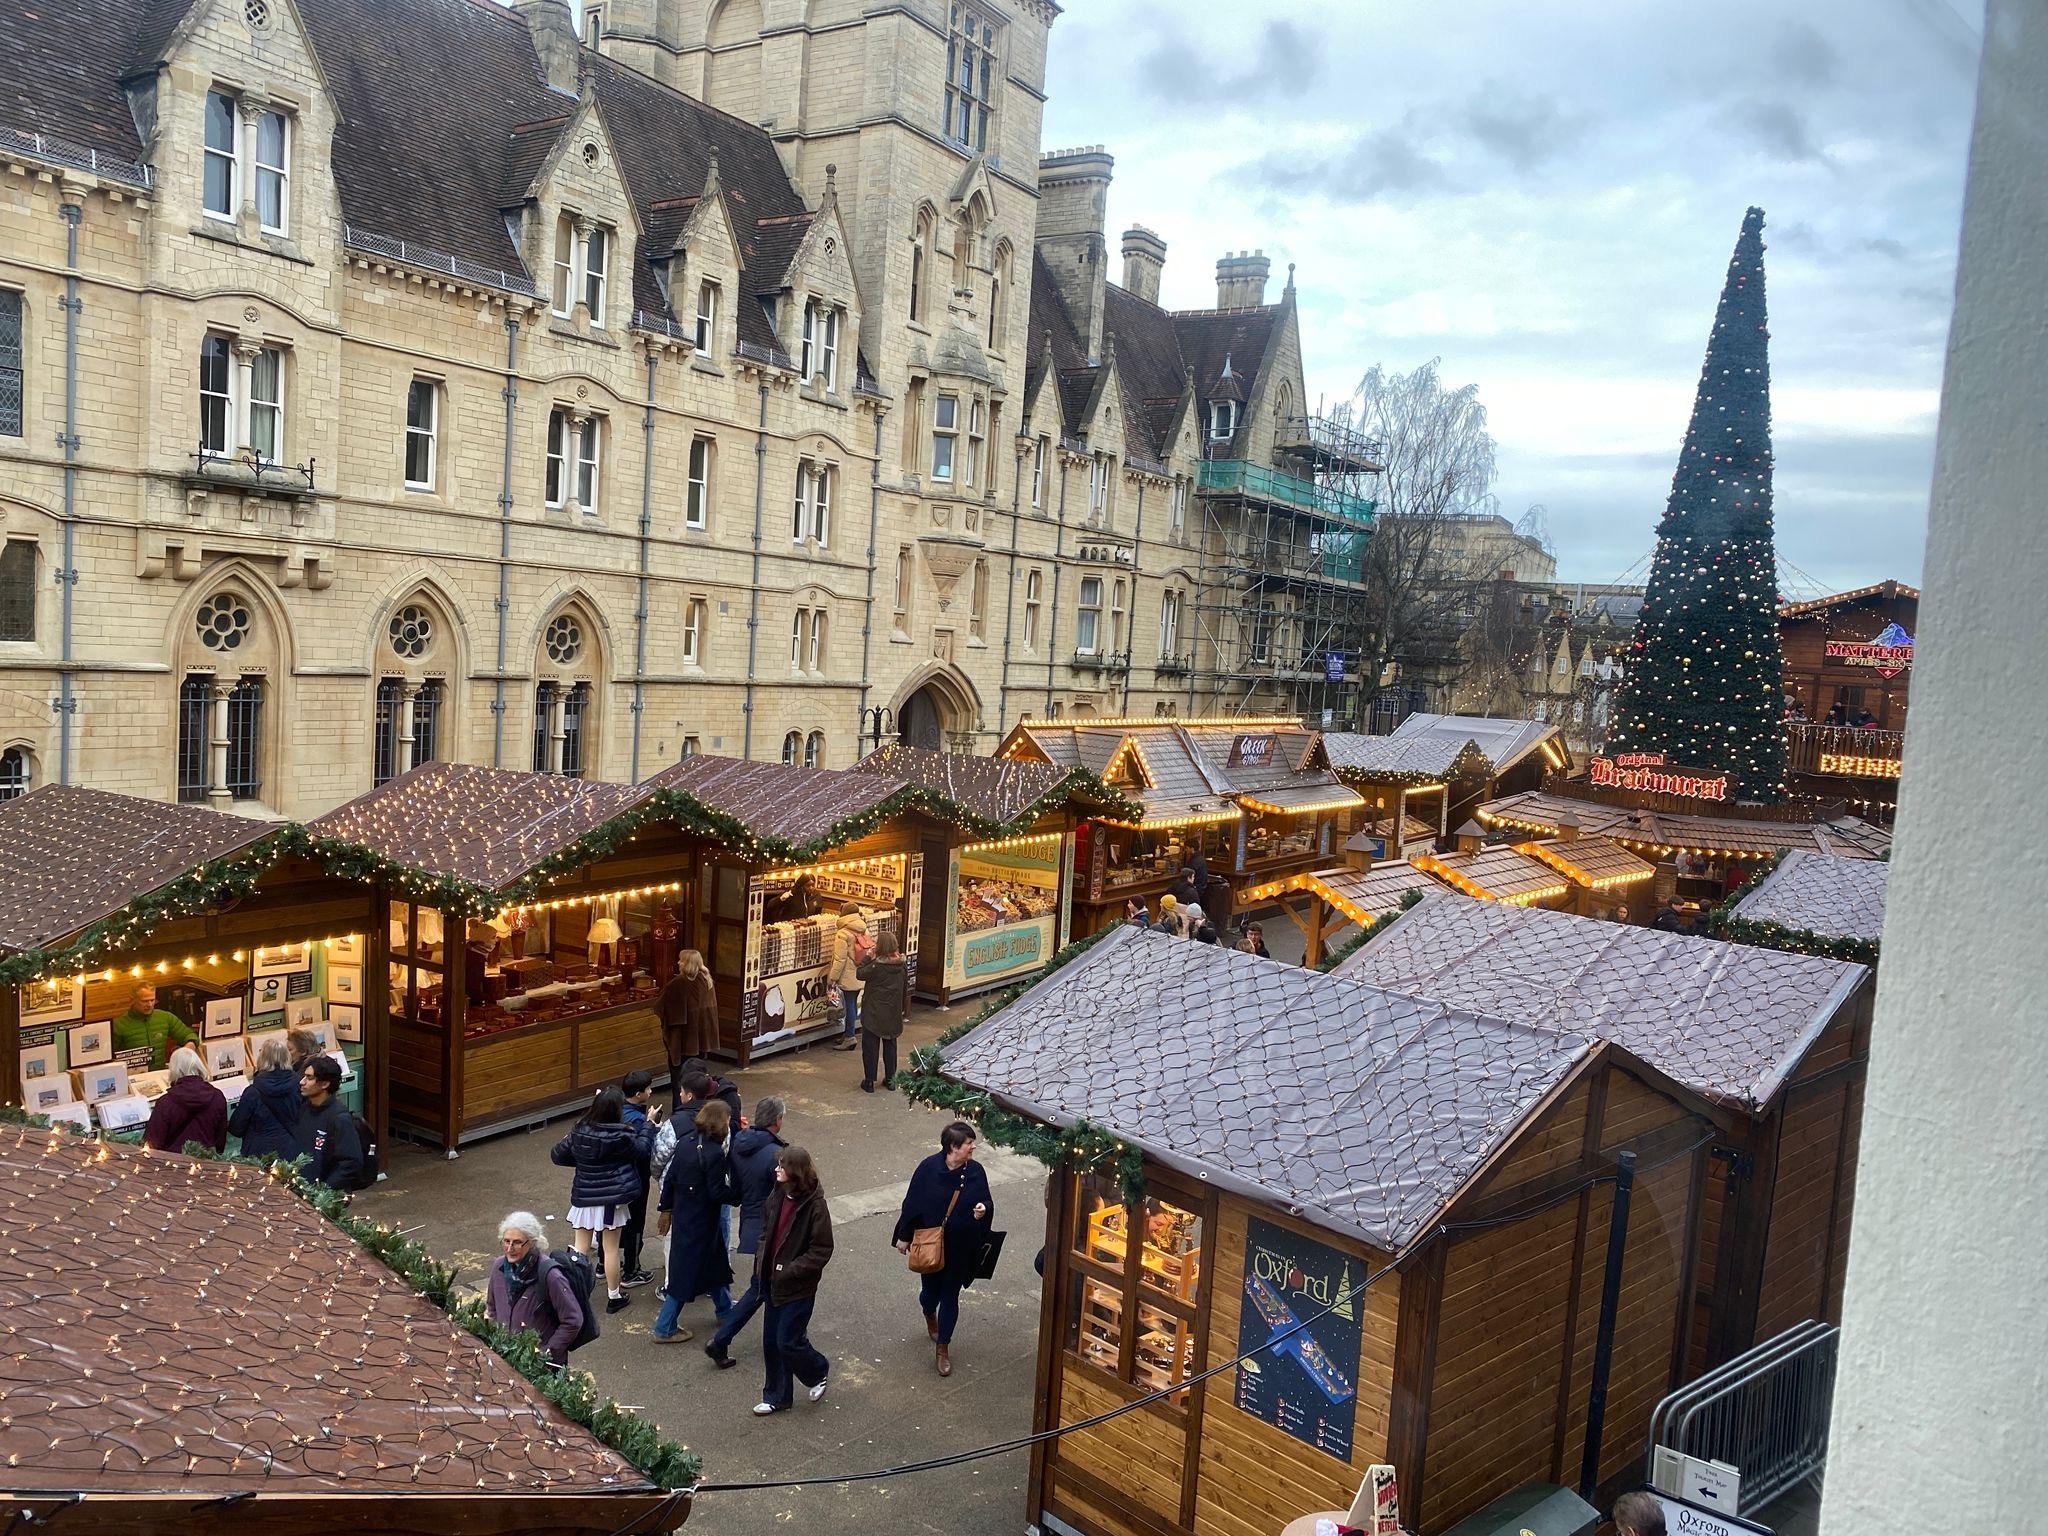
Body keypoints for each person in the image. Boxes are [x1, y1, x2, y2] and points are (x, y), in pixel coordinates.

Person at [892, 1121, 993, 1378]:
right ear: (953, 1147)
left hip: (960, 1248)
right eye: (969, 1143)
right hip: (931, 1246)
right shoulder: (928, 1168)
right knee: (929, 1295)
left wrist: (983, 1209)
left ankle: (943, 1348)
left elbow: (986, 1199)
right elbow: (912, 1203)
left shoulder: (975, 1171)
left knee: (950, 1296)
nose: (973, 1147)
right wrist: (904, 1236)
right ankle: (928, 1311)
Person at [705, 1095, 787, 1368]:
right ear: (777, 1120)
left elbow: (737, 1187)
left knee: (763, 1284)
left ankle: (724, 1341)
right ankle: (724, 1340)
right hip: (772, 1227)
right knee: (763, 1287)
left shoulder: (739, 1143)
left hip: (751, 1222)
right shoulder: (775, 1155)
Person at [752, 1145, 834, 1415]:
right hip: (772, 1283)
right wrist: (762, 1261)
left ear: (795, 1172)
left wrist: (788, 1270)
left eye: (782, 1166)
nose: (777, 1170)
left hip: (798, 1288)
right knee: (771, 1342)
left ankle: (818, 1370)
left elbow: (821, 1250)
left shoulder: (816, 1206)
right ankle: (777, 1397)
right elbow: (766, 1231)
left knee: (788, 1341)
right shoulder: (778, 1194)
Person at [549, 1086, 644, 1315]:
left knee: (580, 1249)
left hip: (585, 1194)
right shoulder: (623, 1134)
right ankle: (614, 1296)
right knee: (610, 1249)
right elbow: (642, 1151)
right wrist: (649, 1126)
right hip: (611, 1199)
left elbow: (558, 1154)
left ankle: (573, 1294)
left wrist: (582, 1162)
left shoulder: (579, 1129)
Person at [653, 1099, 737, 1342]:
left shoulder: (686, 1143)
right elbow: (717, 1192)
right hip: (704, 1221)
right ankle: (664, 1327)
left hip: (685, 1217)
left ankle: (724, 1309)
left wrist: (665, 1208)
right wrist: (739, 1195)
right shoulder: (714, 1153)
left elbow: (670, 1178)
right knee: (686, 1276)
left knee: (711, 1267)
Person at [486, 1212, 586, 1367]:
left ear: (532, 1242)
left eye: (517, 1242)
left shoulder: (550, 1276)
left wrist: (545, 1354)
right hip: (506, 1358)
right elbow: (492, 1307)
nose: (510, 1248)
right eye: (506, 1241)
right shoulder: (498, 1267)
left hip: (540, 1366)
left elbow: (573, 1320)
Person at [618, 1070, 663, 1288]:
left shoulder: (616, 1109)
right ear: (638, 1094)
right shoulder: (636, 1120)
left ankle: (604, 1264)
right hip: (635, 1177)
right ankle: (631, 1270)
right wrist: (651, 1125)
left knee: (611, 1222)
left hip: (616, 1177)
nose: (651, 1091)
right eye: (648, 1089)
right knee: (635, 1223)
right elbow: (642, 1149)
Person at [229, 1034, 306, 1158]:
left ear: (262, 1059)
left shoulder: (253, 1092)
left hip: (258, 1153)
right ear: (287, 1057)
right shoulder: (301, 1086)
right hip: (292, 1150)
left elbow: (236, 1128)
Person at [657, 950, 718, 1105]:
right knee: (698, 1078)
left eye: (681, 960)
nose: (678, 963)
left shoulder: (678, 983)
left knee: (679, 1079)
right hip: (701, 1040)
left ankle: (680, 1108)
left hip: (683, 1041)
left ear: (688, 964)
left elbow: (662, 1008)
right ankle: (698, 1107)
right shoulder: (707, 981)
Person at [296, 1054, 363, 1191]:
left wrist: (324, 1190)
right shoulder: (303, 1109)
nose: (302, 1082)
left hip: (324, 1196)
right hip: (302, 1188)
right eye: (304, 1076)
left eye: (309, 1078)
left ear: (325, 1084)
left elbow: (351, 1161)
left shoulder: (339, 1118)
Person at [143, 1047, 228, 1153]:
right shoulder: (217, 1096)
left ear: (173, 1070)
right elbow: (220, 1140)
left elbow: (152, 1143)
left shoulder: (165, 1102)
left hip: (173, 1160)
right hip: (206, 1158)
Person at [856, 930, 909, 1093]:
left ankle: (869, 1081)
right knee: (890, 1045)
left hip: (873, 1011)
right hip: (893, 1011)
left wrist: (868, 956)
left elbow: (859, 973)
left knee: (870, 1048)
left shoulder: (877, 966)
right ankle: (891, 1080)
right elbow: (905, 988)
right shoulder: (901, 965)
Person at [111, 984, 197, 1072]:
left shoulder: (165, 1017)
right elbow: (109, 1057)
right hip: (132, 1076)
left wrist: (190, 1045)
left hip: (159, 1073)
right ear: (132, 1000)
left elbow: (189, 1035)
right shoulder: (118, 1025)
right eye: (144, 1001)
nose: (149, 1005)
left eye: (152, 1000)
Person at [828, 902, 868, 1052]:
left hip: (847, 975)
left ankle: (850, 1037)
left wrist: (832, 977)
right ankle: (847, 1034)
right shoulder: (864, 928)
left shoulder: (843, 933)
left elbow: (840, 959)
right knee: (853, 1004)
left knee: (849, 1005)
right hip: (860, 972)